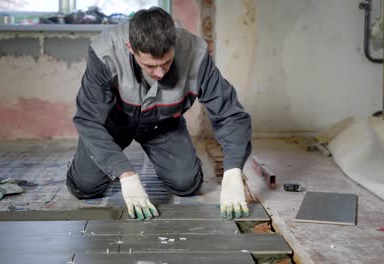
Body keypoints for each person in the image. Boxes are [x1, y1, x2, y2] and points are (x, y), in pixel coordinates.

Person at [66, 7, 252, 220]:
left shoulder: (195, 53)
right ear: (130, 47)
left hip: (163, 123)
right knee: (85, 186)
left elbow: (231, 114)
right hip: (114, 122)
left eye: (166, 63)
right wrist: (126, 175)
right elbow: (88, 120)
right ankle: (90, 166)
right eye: (150, 66)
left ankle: (175, 163)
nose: (160, 73)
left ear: (174, 44)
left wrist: (233, 171)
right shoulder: (104, 53)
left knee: (186, 183)